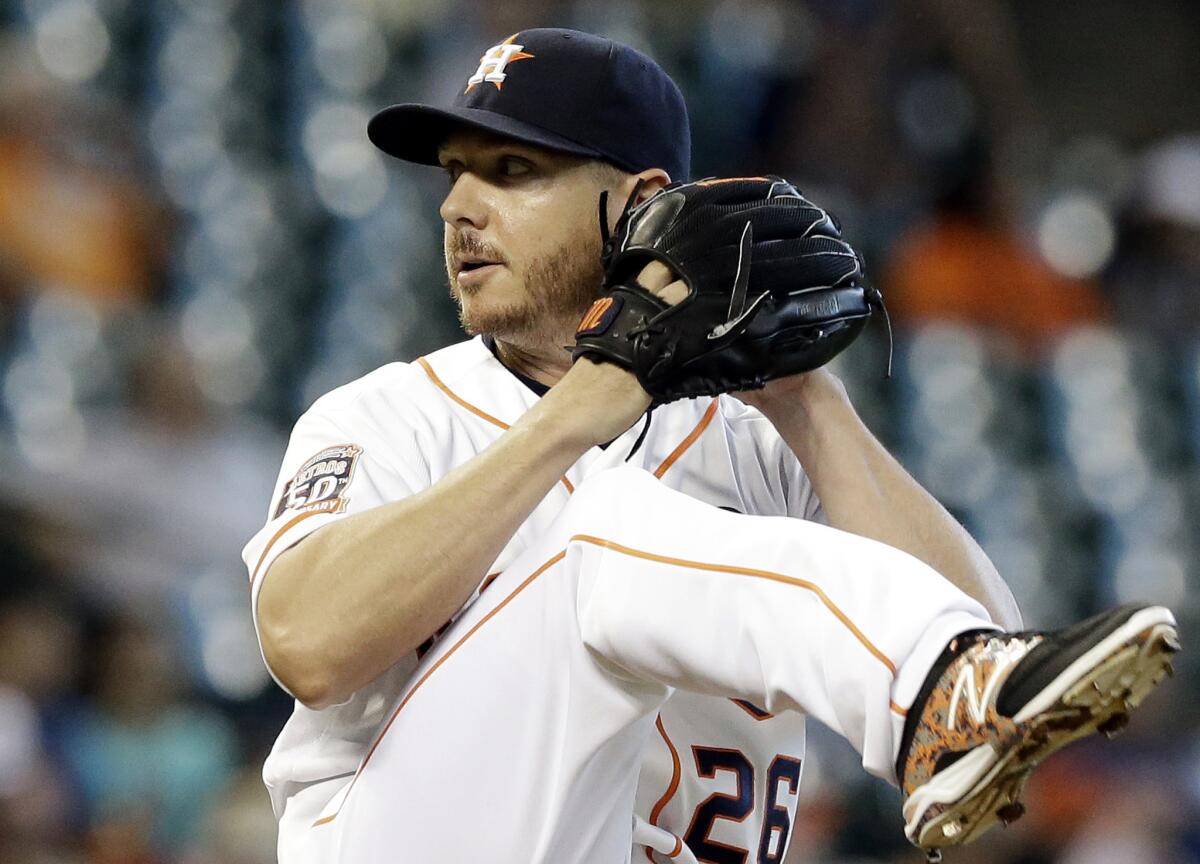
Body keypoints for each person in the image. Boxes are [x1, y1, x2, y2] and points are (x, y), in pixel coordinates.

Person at [242, 29, 1177, 863]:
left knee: (931, 661)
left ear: (642, 204)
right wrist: (585, 408)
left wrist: (810, 402)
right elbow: (307, 645)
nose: (459, 209)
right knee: (589, 523)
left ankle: (922, 696)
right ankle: (917, 691)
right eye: (455, 173)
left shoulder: (757, 442)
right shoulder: (391, 414)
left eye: (513, 172)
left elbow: (988, 644)